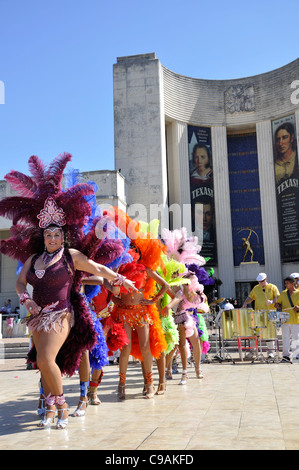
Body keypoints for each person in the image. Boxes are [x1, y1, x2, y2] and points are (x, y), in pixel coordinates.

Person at [275, 276, 299, 363]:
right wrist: (277, 305)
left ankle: (297, 355)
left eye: (287, 283)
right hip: (285, 319)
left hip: (296, 320)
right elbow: (279, 303)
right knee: (285, 338)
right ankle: (285, 356)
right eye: (285, 283)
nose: (286, 285)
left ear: (293, 284)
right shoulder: (283, 293)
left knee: (296, 338)